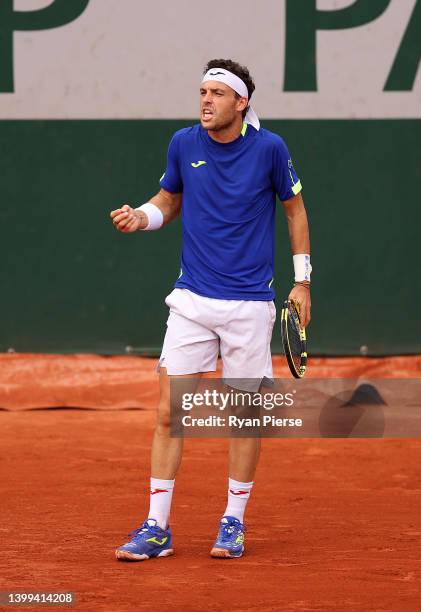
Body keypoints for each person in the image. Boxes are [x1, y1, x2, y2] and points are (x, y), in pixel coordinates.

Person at [110, 58, 311, 561]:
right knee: (168, 412)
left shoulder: (270, 149)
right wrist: (143, 216)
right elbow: (168, 200)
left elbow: (295, 209)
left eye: (217, 93)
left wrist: (303, 283)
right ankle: (157, 528)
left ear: (241, 103)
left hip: (249, 305)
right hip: (192, 300)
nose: (205, 100)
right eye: (201, 91)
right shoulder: (183, 143)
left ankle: (233, 522)